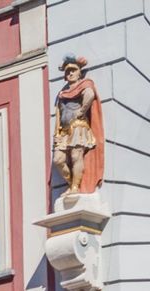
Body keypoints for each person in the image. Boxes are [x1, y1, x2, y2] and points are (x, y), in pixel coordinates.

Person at [53, 56, 105, 199]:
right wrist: (56, 132)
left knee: (76, 155)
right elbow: (58, 113)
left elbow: (89, 94)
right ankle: (72, 183)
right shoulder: (62, 93)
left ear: (79, 72)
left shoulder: (84, 84)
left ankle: (75, 187)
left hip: (78, 127)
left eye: (73, 70)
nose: (70, 73)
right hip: (63, 130)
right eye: (68, 71)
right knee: (58, 160)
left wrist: (81, 112)